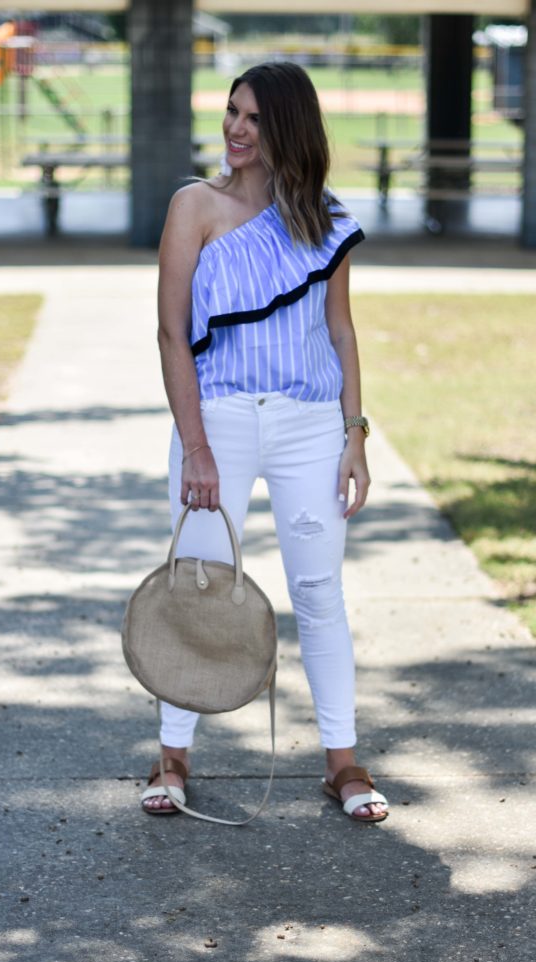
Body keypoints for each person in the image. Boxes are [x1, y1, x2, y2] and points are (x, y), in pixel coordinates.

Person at [141, 61, 388, 823]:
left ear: (287, 126)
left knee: (318, 594)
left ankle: (342, 764)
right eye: (230, 112)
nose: (235, 129)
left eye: (252, 117)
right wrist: (198, 447)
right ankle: (172, 757)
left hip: (311, 423)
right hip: (217, 419)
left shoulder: (322, 217)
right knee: (199, 588)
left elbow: (339, 329)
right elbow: (171, 335)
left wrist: (355, 434)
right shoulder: (194, 206)